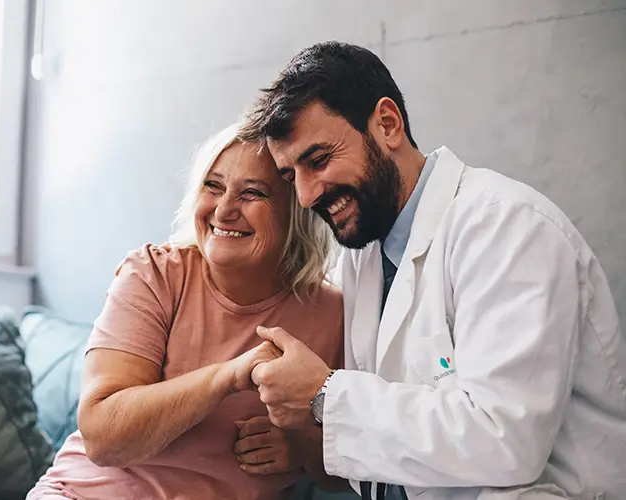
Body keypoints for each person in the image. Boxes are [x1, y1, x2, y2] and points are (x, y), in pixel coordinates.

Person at [238, 41, 626, 499]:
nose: (305, 196)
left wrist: (324, 394)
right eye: (290, 177)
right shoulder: (364, 251)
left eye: (319, 161)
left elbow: (505, 438)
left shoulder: (507, 226)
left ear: (387, 124)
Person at [26, 124, 348, 500]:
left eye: (252, 193)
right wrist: (227, 377)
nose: (224, 210)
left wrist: (301, 448)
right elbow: (101, 437)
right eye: (213, 187)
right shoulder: (153, 274)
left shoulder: (334, 314)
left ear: (295, 211)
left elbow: (356, 467)